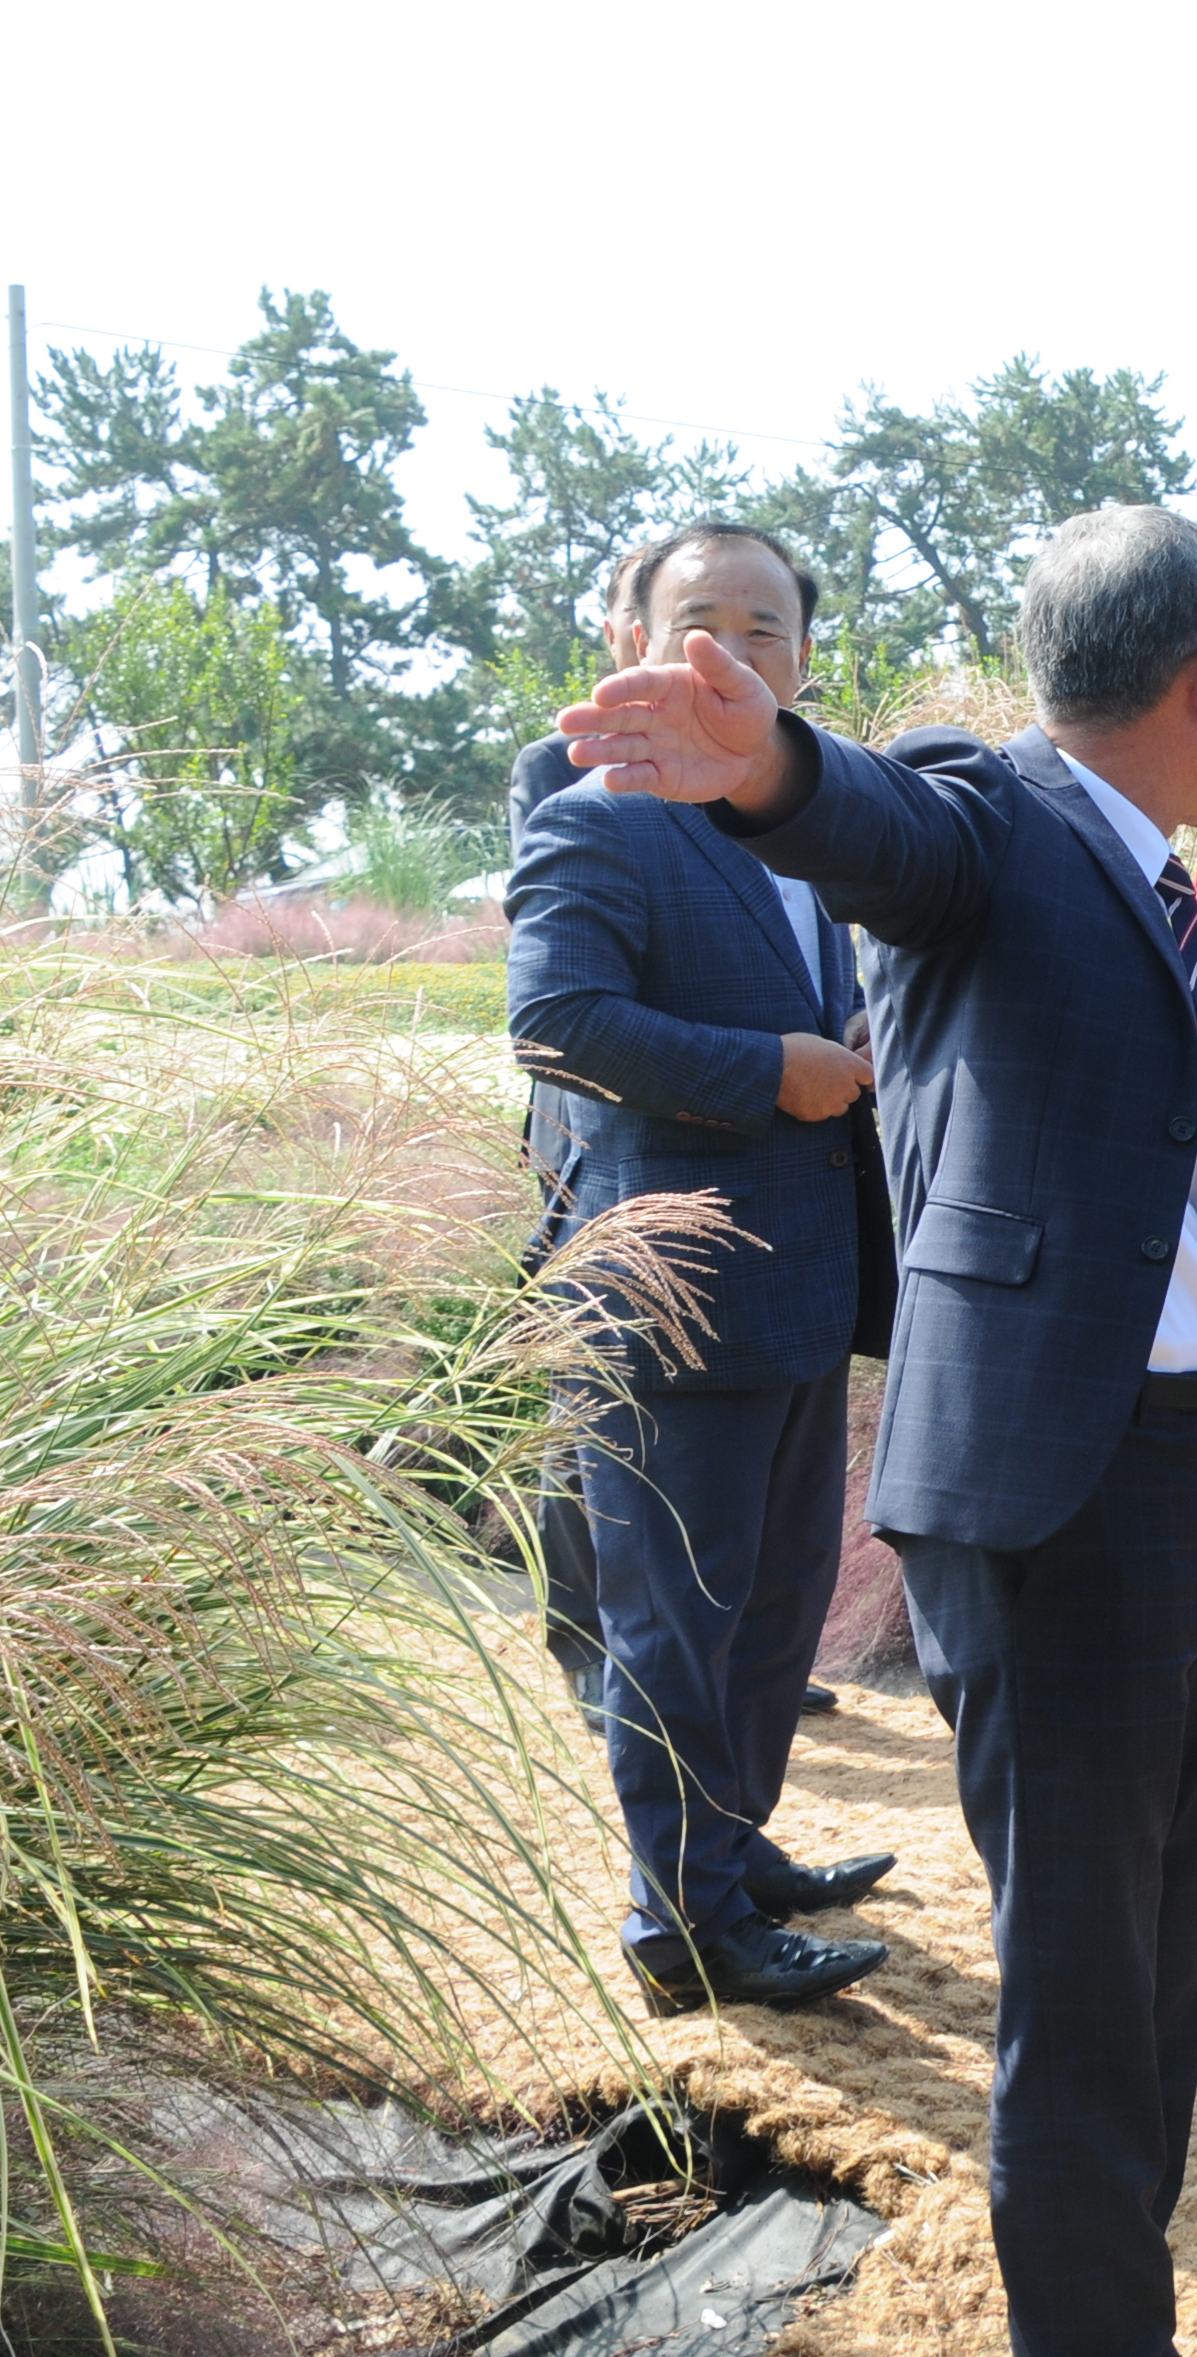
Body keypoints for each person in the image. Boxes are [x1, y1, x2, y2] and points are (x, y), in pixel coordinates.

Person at [559, 504, 1197, 2357]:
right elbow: (891, 830)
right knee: (1085, 1984)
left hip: (1180, 1457)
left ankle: (1115, 2279)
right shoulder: (1001, 809)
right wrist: (774, 771)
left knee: (1156, 1957)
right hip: (1063, 1489)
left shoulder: (1144, 863)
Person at [507, 524, 900, 2019]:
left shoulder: (805, 831)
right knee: (678, 1620)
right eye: (698, 621)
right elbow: (557, 1026)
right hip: (668, 1297)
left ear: (802, 661)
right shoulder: (602, 821)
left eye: (768, 628)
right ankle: (684, 1926)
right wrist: (772, 1071)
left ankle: (732, 1855)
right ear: (628, 640)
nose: (731, 652)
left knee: (780, 1603)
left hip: (798, 1288)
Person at [513, 553, 653, 1730]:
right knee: (590, 1388)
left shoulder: (770, 780)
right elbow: (562, 982)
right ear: (621, 631)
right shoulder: (558, 774)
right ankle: (583, 1634)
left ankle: (690, 1648)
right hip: (585, 1122)